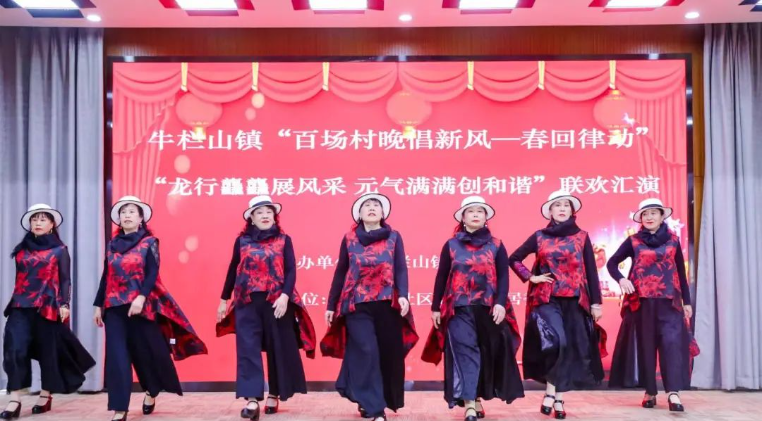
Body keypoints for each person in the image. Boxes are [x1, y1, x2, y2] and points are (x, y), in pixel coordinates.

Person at [93, 196, 207, 421]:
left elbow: (152, 273)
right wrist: (98, 305)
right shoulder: (112, 245)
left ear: (140, 218)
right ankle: (120, 408)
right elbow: (107, 275)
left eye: (131, 212)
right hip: (114, 307)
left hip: (141, 308)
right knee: (117, 357)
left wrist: (141, 297)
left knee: (145, 354)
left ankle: (151, 390)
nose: (127, 215)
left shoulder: (149, 242)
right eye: (123, 212)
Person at [422, 196, 524, 421]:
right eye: (471, 211)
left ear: (486, 217)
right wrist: (435, 306)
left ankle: (476, 396)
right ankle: (469, 403)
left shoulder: (496, 245)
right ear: (463, 217)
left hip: (488, 308)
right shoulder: (451, 245)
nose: (476, 214)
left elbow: (503, 276)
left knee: (485, 354)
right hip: (458, 307)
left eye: (480, 211)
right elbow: (441, 276)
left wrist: (500, 303)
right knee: (466, 352)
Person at [215, 196, 316, 420]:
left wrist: (285, 297)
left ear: (274, 216)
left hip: (277, 302)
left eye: (269, 212)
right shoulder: (242, 241)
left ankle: (274, 393)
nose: (265, 215)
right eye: (259, 212)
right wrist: (223, 299)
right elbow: (233, 269)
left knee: (276, 347)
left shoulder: (284, 240)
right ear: (251, 217)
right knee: (247, 348)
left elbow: (291, 270)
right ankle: (252, 399)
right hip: (246, 302)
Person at [320, 193, 418, 421]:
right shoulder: (349, 239)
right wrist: (331, 304)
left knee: (384, 354)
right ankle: (375, 409)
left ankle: (367, 397)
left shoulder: (394, 237)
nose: (372, 208)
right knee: (366, 351)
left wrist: (403, 295)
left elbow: (400, 268)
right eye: (367, 205)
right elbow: (341, 271)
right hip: (357, 304)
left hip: (387, 303)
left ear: (383, 213)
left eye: (376, 205)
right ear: (359, 213)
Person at [508, 190, 605, 420]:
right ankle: (552, 392)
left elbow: (591, 271)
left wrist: (596, 303)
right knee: (557, 342)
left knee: (568, 348)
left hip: (575, 300)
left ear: (572, 211)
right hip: (546, 299)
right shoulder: (540, 236)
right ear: (550, 211)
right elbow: (514, 258)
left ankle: (557, 396)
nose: (562, 209)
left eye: (566, 205)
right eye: (557, 205)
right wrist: (530, 277)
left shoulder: (582, 237)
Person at [2, 204, 95, 420]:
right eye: (35, 219)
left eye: (43, 219)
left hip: (47, 307)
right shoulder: (22, 249)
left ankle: (45, 395)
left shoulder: (59, 250)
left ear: (52, 225)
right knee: (14, 350)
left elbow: (65, 280)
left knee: (48, 353)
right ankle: (14, 398)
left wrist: (64, 304)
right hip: (20, 306)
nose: (38, 222)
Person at [606, 198, 698, 412]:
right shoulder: (634, 241)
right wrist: (622, 279)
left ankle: (673, 392)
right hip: (642, 303)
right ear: (640, 218)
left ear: (662, 216)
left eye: (653, 213)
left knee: (671, 346)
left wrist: (687, 301)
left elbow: (681, 273)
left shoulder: (673, 241)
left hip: (670, 303)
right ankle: (650, 391)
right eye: (645, 214)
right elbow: (611, 263)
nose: (649, 217)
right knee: (647, 347)